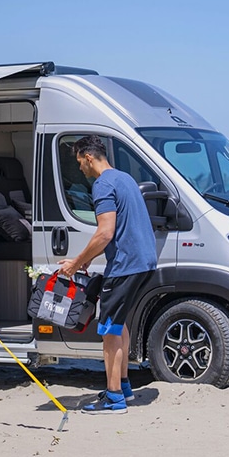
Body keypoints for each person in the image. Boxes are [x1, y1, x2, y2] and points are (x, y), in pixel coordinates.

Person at [58, 136, 157, 414]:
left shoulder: (102, 184)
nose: (80, 170)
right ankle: (124, 387)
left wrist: (76, 263)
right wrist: (87, 259)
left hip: (126, 266)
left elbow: (105, 233)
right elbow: (122, 232)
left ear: (89, 158)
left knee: (108, 331)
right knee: (119, 324)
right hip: (145, 263)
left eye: (79, 163)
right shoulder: (124, 179)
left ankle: (114, 399)